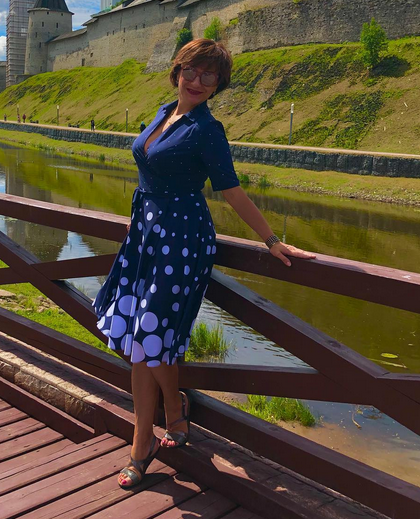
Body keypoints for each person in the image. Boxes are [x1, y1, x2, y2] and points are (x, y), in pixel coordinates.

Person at [91, 38, 315, 489]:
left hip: (182, 240)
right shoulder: (161, 112)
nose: (197, 81)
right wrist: (136, 224)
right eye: (191, 71)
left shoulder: (208, 130)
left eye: (209, 75)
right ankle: (165, 421)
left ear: (218, 84)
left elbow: (231, 190)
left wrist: (272, 240)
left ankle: (155, 432)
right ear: (176, 72)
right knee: (140, 339)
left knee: (150, 335)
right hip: (146, 236)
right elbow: (148, 172)